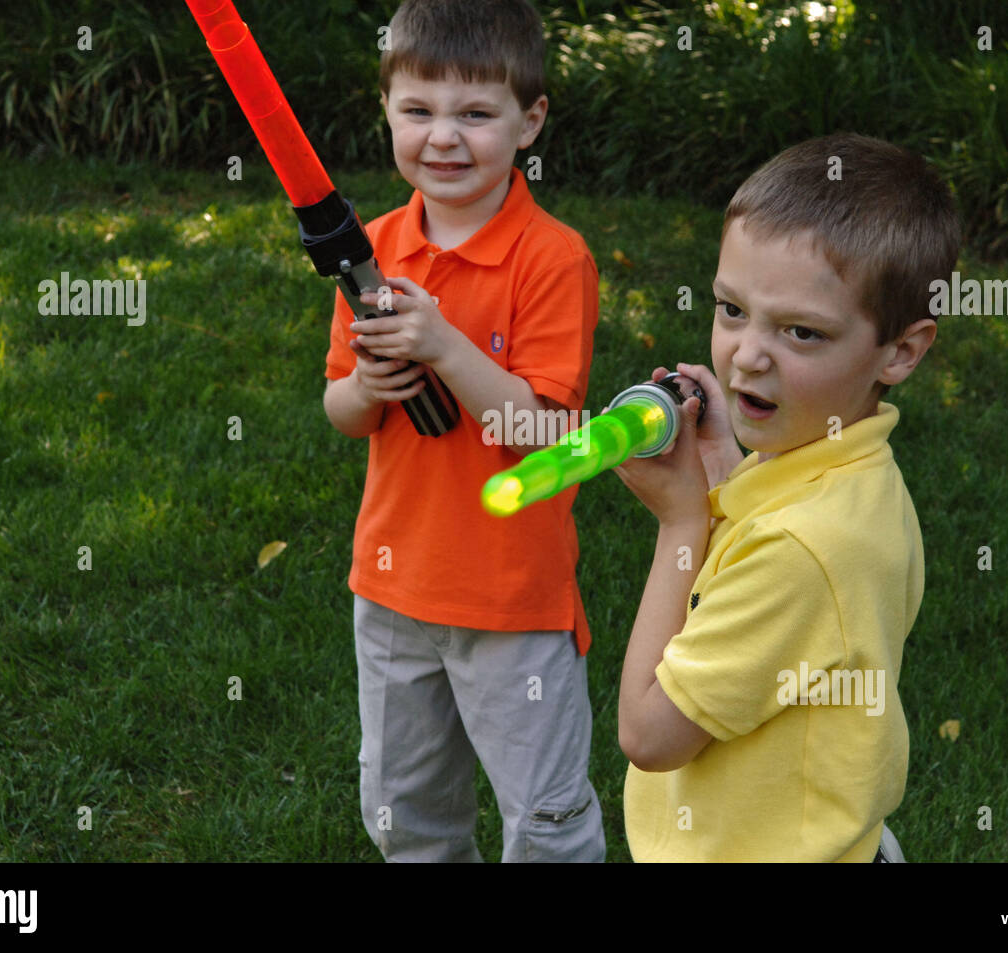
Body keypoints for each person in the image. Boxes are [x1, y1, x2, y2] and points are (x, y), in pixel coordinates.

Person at [612, 132, 960, 861]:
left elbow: (649, 735)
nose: (748, 354)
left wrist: (680, 523)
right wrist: (722, 469)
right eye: (731, 309)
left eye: (801, 331)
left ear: (901, 350)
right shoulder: (853, 473)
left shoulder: (803, 549)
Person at [322, 0, 603, 862]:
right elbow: (340, 409)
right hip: (393, 584)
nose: (443, 137)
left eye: (476, 114)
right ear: (388, 112)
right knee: (406, 809)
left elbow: (547, 434)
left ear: (530, 122)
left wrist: (444, 344)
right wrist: (371, 384)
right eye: (418, 110)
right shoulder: (371, 248)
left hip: (511, 598)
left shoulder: (553, 259)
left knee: (545, 820)